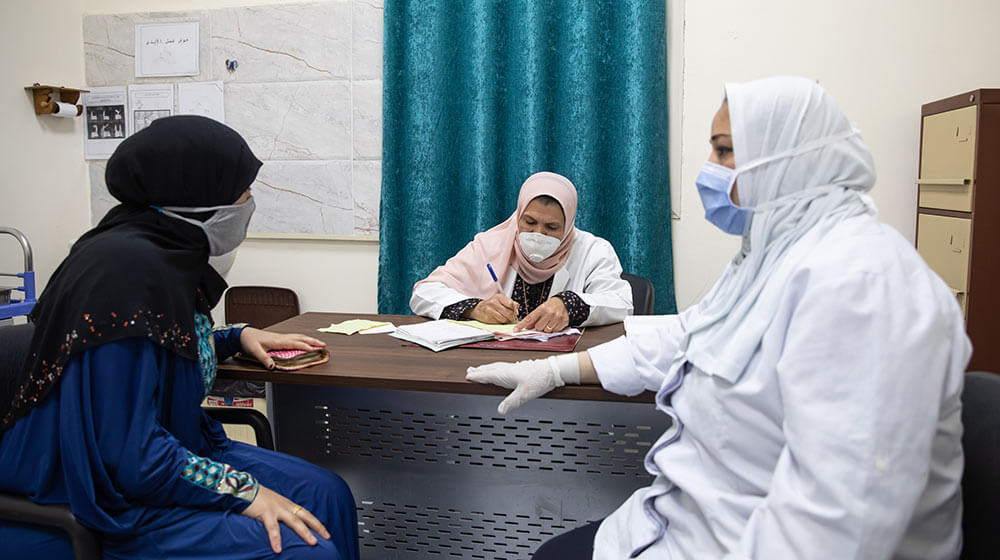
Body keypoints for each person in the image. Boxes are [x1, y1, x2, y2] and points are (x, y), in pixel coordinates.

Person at [467, 77, 970, 559]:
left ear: (787, 159)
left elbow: (835, 524)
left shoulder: (861, 283)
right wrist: (553, 370)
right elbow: (688, 333)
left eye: (724, 151)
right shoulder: (773, 255)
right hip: (689, 524)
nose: (709, 168)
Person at [0, 116, 359, 560]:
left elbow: (159, 348)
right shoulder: (124, 274)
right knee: (307, 550)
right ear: (197, 196)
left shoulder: (160, 253)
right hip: (97, 492)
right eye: (242, 192)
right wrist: (243, 492)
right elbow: (126, 452)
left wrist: (236, 336)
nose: (249, 202)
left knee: (327, 494)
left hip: (165, 449)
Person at [410, 171, 633, 332]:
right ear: (518, 216)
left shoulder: (593, 250)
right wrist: (475, 308)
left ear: (568, 226)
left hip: (562, 365)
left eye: (552, 227)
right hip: (494, 361)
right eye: (529, 222)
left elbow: (622, 303)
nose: (538, 234)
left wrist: (570, 304)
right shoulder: (490, 245)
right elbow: (423, 293)